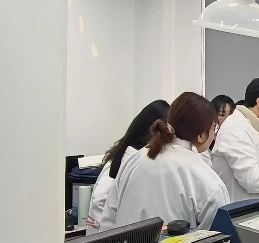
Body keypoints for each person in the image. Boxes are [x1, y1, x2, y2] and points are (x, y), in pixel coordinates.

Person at [99, 92, 229, 231]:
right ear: (201, 135)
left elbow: (108, 223)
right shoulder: (208, 181)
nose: (214, 134)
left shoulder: (134, 160)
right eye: (214, 128)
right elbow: (219, 239)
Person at [86, 100, 170, 232]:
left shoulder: (131, 155)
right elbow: (100, 200)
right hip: (105, 235)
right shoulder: (130, 159)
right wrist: (97, 222)